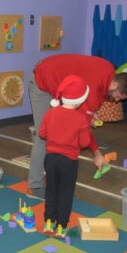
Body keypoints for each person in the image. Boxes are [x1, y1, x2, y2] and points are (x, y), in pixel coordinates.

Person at [27, 54, 127, 199]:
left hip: (52, 73)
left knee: (62, 131)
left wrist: (89, 114)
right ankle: (36, 186)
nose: (116, 101)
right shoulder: (95, 89)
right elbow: (84, 129)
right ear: (115, 85)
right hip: (42, 82)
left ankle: (54, 178)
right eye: (118, 96)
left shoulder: (109, 71)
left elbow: (86, 100)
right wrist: (97, 154)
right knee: (44, 137)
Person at [40, 75, 92, 238]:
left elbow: (42, 133)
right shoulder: (80, 118)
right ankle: (61, 226)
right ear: (80, 100)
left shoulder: (50, 113)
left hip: (50, 159)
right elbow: (85, 142)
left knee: (51, 190)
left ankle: (48, 222)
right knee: (65, 193)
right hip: (68, 161)